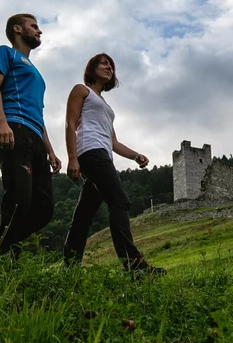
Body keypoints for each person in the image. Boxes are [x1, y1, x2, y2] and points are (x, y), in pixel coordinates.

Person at [63, 53, 165, 275]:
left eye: (111, 65)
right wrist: (72, 158)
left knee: (83, 216)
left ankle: (69, 269)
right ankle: (134, 265)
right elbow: (70, 123)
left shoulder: (105, 106)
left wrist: (135, 155)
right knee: (119, 201)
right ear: (92, 68)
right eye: (104, 63)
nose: (109, 67)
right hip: (90, 151)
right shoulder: (81, 90)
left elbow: (113, 142)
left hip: (102, 153)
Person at [0, 13, 61, 256]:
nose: (39, 31)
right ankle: (3, 259)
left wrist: (50, 151)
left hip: (35, 137)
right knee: (20, 199)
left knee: (43, 209)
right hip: (13, 129)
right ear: (18, 29)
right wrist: (1, 122)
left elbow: (39, 113)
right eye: (34, 26)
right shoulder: (5, 53)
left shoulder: (37, 75)